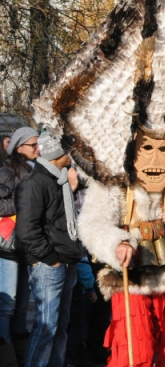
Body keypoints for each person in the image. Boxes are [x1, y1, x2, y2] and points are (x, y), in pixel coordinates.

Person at [15, 131, 84, 367]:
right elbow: (26, 230)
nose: (73, 155)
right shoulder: (34, 183)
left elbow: (58, 221)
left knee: (60, 328)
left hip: (66, 261)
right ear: (57, 153)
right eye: (69, 151)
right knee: (45, 328)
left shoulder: (60, 180)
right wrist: (50, 258)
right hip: (49, 265)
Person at [0, 127, 38, 363]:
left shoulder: (34, 169)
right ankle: (6, 355)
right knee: (8, 303)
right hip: (8, 246)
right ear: (18, 147)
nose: (38, 148)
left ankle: (20, 354)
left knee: (22, 305)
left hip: (26, 245)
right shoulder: (7, 171)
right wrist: (23, 204)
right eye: (32, 144)